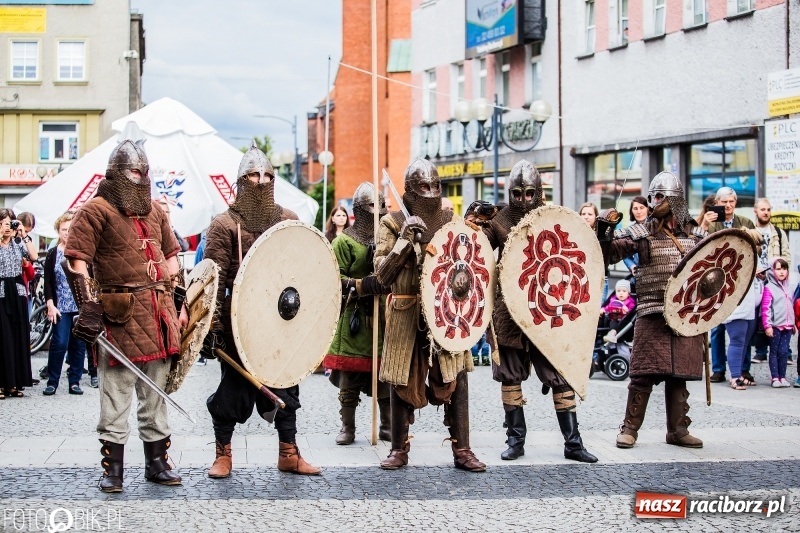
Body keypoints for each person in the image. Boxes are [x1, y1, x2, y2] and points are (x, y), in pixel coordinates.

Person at [64, 133, 183, 492]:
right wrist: (87, 306)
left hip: (158, 314)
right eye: (134, 171)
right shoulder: (95, 209)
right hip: (119, 315)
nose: (141, 177)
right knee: (116, 396)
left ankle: (157, 464)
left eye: (145, 171)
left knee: (156, 395)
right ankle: (113, 469)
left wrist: (179, 306)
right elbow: (76, 261)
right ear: (116, 172)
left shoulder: (156, 211)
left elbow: (174, 260)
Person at [204, 142, 319, 477]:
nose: (262, 179)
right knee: (234, 391)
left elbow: (302, 273)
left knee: (286, 387)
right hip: (241, 323)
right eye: (254, 174)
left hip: (283, 320)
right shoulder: (224, 225)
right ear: (241, 180)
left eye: (268, 174)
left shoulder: (287, 220)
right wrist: (213, 327)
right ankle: (223, 454)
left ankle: (289, 453)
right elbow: (213, 280)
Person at [470, 160, 597, 463]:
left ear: (539, 193)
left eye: (530, 193)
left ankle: (573, 443)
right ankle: (516, 441)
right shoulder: (499, 221)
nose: (524, 200)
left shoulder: (552, 217)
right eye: (518, 193)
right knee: (511, 376)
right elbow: (478, 247)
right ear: (509, 192)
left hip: (548, 306)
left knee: (560, 373)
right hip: (509, 310)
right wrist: (472, 223)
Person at [374, 158, 485, 472]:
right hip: (406, 310)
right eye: (424, 186)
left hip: (447, 311)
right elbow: (381, 275)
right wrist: (405, 241)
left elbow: (467, 263)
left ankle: (462, 449)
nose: (432, 191)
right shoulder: (392, 223)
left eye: (436, 186)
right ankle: (399, 448)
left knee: (456, 376)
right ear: (409, 189)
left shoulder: (450, 219)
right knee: (400, 377)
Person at [602, 171, 711, 449]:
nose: (654, 201)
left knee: (679, 374)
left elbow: (714, 268)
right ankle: (630, 429)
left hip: (686, 314)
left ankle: (677, 430)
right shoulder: (643, 232)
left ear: (676, 200)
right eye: (652, 196)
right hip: (652, 310)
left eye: (660, 196)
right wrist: (605, 230)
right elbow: (609, 253)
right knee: (643, 373)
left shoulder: (696, 234)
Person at [323, 182, 391, 445]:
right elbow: (333, 278)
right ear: (361, 210)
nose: (380, 211)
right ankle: (348, 427)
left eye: (383, 205)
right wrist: (361, 283)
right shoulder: (344, 241)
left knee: (385, 374)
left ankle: (387, 426)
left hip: (384, 315)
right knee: (350, 377)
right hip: (356, 314)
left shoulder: (391, 238)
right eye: (374, 206)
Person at [705, 187, 755, 384]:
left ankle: (744, 368)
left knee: (744, 326)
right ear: (717, 203)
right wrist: (705, 223)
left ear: (735, 203)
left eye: (731, 202)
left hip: (740, 276)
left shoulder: (745, 221)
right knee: (717, 326)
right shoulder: (712, 222)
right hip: (717, 278)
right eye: (724, 202)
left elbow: (755, 244)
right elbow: (707, 246)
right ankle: (718, 369)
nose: (727, 205)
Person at [42, 212, 88, 396]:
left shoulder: (81, 251)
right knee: (59, 343)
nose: (67, 233)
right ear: (58, 231)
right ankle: (52, 381)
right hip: (61, 305)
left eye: (71, 229)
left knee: (78, 344)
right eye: (64, 230)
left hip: (79, 306)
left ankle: (74, 381)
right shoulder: (53, 253)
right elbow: (48, 282)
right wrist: (50, 304)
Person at [0, 208, 38, 399]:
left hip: (17, 291)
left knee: (17, 337)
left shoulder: (17, 243)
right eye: (3, 223)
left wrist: (23, 234)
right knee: (3, 338)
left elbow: (34, 256)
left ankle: (13, 383)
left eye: (9, 222)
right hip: (1, 291)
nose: (7, 227)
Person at [750, 198, 791, 366]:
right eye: (762, 209)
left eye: (768, 209)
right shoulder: (751, 231)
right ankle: (761, 351)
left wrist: (779, 272)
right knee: (761, 316)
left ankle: (785, 351)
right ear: (756, 211)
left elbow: (786, 256)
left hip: (775, 280)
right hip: (757, 280)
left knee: (780, 314)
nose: (766, 212)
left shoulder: (779, 233)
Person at [761, 258, 795, 388]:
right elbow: (766, 309)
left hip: (787, 326)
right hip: (775, 326)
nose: (781, 272)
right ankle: (775, 377)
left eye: (784, 269)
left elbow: (790, 306)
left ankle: (783, 377)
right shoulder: (769, 288)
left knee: (784, 352)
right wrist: (767, 326)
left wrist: (792, 324)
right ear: (772, 271)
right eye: (778, 269)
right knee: (774, 351)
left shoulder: (789, 288)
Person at [724, 280, 757, 390]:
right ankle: (735, 376)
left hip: (749, 306)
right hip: (736, 306)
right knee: (737, 342)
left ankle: (738, 373)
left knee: (744, 343)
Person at [580, 202, 608, 303]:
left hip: (598, 279)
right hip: (580, 280)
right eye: (583, 214)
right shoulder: (575, 234)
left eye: (590, 214)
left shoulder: (602, 235)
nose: (586, 217)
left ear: (596, 216)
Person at [601, 279, 636, 344]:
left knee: (615, 322)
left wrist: (627, 310)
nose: (621, 293)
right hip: (611, 318)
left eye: (624, 291)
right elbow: (607, 307)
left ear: (628, 293)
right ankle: (608, 335)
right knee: (609, 321)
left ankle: (612, 334)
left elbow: (632, 311)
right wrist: (603, 309)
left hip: (622, 320)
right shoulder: (613, 300)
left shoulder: (630, 302)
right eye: (618, 291)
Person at [622, 196, 649, 275]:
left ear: (647, 208)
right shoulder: (629, 231)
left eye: (642, 208)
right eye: (635, 208)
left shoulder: (656, 227)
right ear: (632, 211)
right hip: (638, 277)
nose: (639, 211)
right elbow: (625, 254)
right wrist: (632, 266)